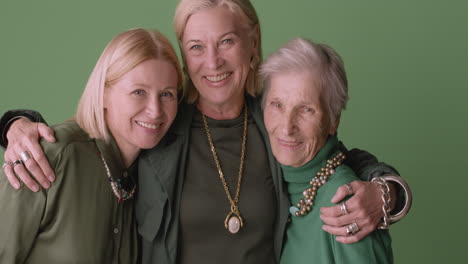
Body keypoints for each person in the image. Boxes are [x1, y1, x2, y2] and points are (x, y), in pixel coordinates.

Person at [0, 1, 411, 263]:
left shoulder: (274, 119)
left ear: (253, 45)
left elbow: (330, 157)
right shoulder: (158, 124)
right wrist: (14, 125)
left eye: (227, 41)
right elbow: (93, 134)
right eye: (197, 46)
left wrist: (386, 190)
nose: (212, 61)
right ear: (184, 55)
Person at [0, 28, 182, 263]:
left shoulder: (152, 173)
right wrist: (11, 124)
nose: (155, 110)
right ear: (104, 92)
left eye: (167, 94)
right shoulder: (50, 157)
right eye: (139, 92)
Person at [261, 37, 393, 263]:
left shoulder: (348, 207)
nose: (286, 127)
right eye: (277, 104)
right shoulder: (269, 178)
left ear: (333, 120)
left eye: (306, 110)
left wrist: (390, 192)